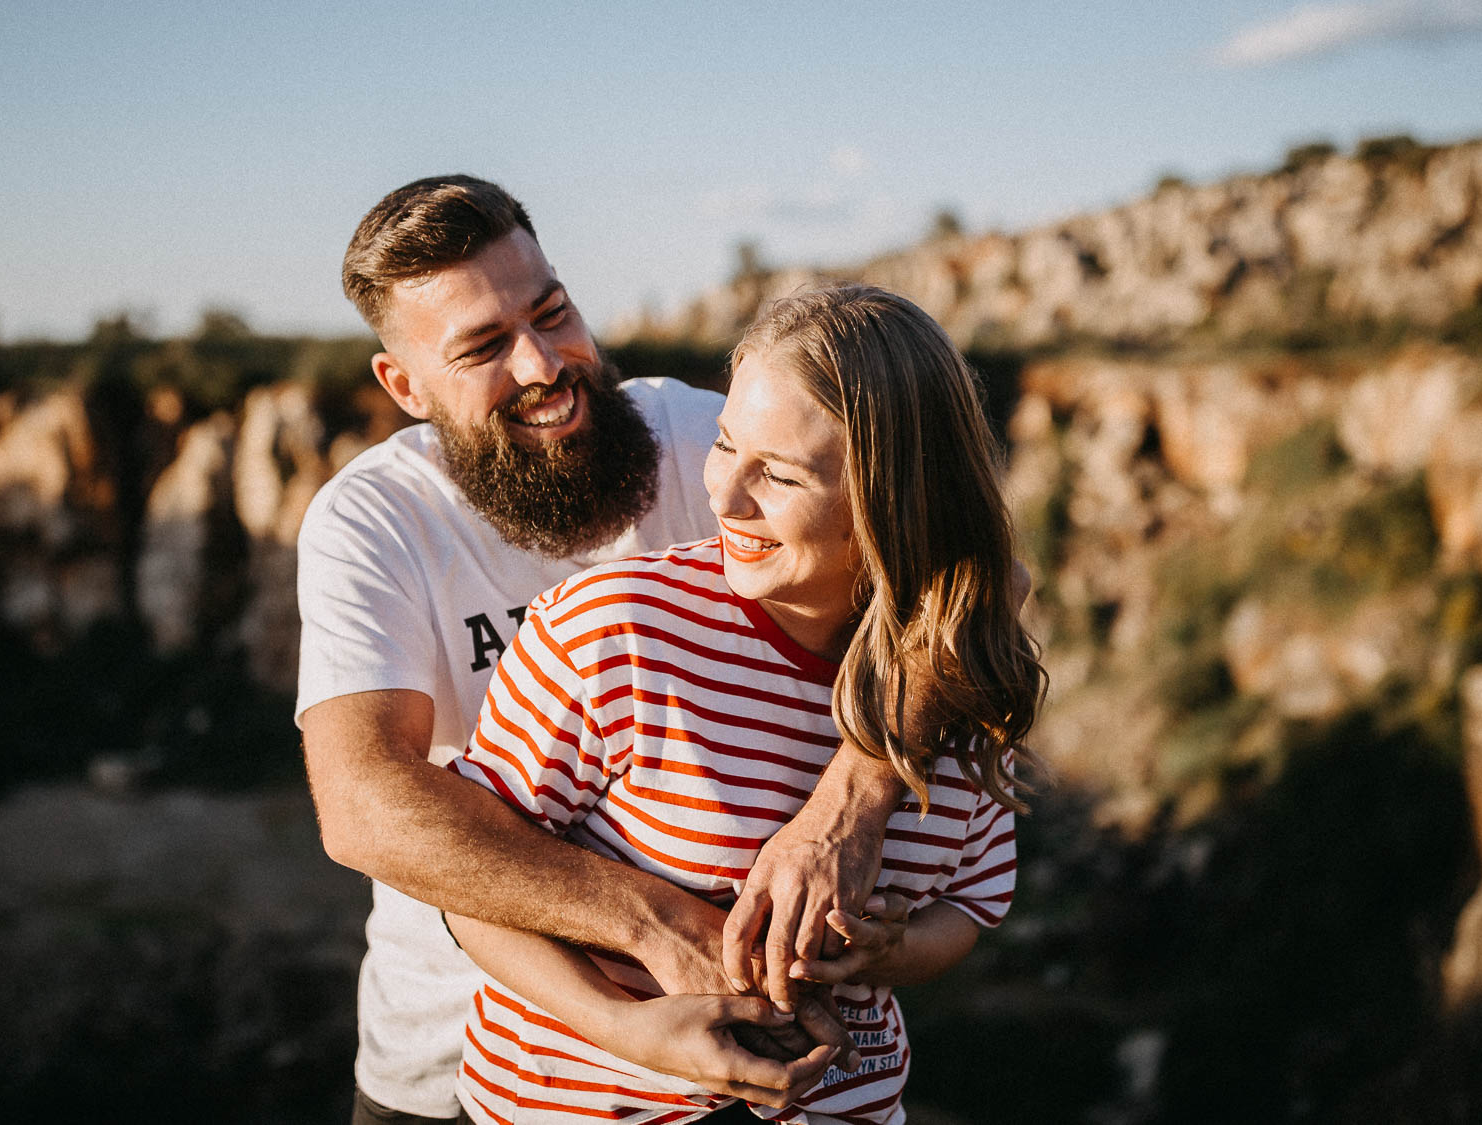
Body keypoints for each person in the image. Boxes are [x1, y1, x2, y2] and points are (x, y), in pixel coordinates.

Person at [297, 177, 908, 1124]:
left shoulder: (708, 444)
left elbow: (959, 584)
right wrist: (659, 926)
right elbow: (364, 805)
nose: (544, 364)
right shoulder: (373, 521)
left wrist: (848, 805)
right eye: (484, 347)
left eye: (551, 311)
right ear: (404, 386)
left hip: (748, 1038)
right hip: (453, 1060)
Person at [445, 285, 1046, 1124]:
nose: (726, 497)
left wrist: (889, 948)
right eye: (726, 445)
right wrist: (635, 1030)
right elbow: (471, 890)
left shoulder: (963, 676)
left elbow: (968, 907)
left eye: (783, 475)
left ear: (895, 498)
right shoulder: (615, 630)